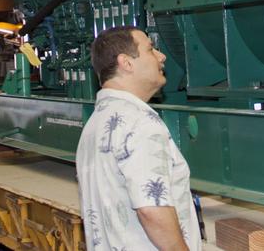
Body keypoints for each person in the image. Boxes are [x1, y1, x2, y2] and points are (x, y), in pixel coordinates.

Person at [75, 26, 199, 251]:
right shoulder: (139, 122)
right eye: (151, 49)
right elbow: (151, 209)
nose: (161, 56)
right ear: (127, 63)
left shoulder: (96, 123)